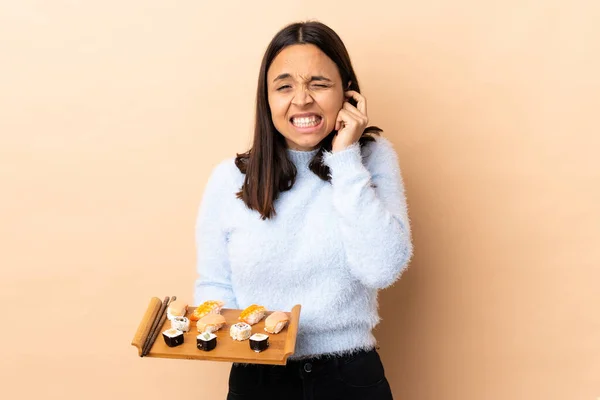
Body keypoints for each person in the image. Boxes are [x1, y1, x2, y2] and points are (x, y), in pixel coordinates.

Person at [193, 20, 413, 400]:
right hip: (257, 373)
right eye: (284, 86)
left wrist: (344, 158)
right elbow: (214, 284)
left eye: (318, 83)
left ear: (347, 92)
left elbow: (381, 268)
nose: (302, 99)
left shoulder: (370, 159)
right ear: (267, 98)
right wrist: (246, 342)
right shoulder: (228, 179)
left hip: (348, 375)